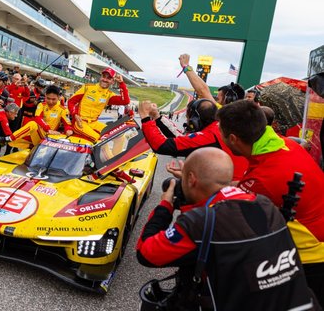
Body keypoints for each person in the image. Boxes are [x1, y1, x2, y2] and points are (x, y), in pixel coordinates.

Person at [137, 148, 318, 310]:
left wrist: (165, 205)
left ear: (191, 179)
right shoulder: (265, 205)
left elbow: (146, 253)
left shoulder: (198, 224)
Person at [217, 100, 324, 303]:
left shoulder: (262, 179)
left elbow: (228, 216)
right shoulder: (286, 145)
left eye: (221, 133)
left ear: (233, 139)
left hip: (310, 259)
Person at [139, 99, 248, 181]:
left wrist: (145, 117)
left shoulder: (208, 136)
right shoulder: (218, 128)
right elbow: (181, 139)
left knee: (174, 187)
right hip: (235, 184)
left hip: (226, 193)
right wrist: (157, 117)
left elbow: (161, 146)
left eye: (188, 117)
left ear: (195, 119)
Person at [0, 86, 73, 149]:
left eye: (53, 99)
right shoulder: (42, 105)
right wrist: (47, 129)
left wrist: (68, 130)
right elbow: (38, 118)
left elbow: (67, 124)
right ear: (45, 96)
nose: (50, 101)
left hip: (50, 138)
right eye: (48, 98)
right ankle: (18, 142)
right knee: (13, 142)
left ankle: (12, 140)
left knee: (31, 125)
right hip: (40, 134)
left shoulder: (63, 110)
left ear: (59, 97)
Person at [67, 67, 129, 142]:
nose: (105, 79)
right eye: (103, 76)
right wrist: (75, 115)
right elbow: (71, 101)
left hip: (94, 123)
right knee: (99, 139)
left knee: (118, 136)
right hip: (80, 123)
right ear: (101, 77)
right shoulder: (87, 87)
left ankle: (113, 154)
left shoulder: (109, 95)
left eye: (109, 78)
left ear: (113, 81)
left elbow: (125, 101)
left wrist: (121, 83)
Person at [178, 54, 244, 107]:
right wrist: (188, 67)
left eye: (218, 99)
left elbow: (202, 91)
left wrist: (186, 67)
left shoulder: (224, 113)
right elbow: (205, 89)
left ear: (229, 99)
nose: (215, 100)